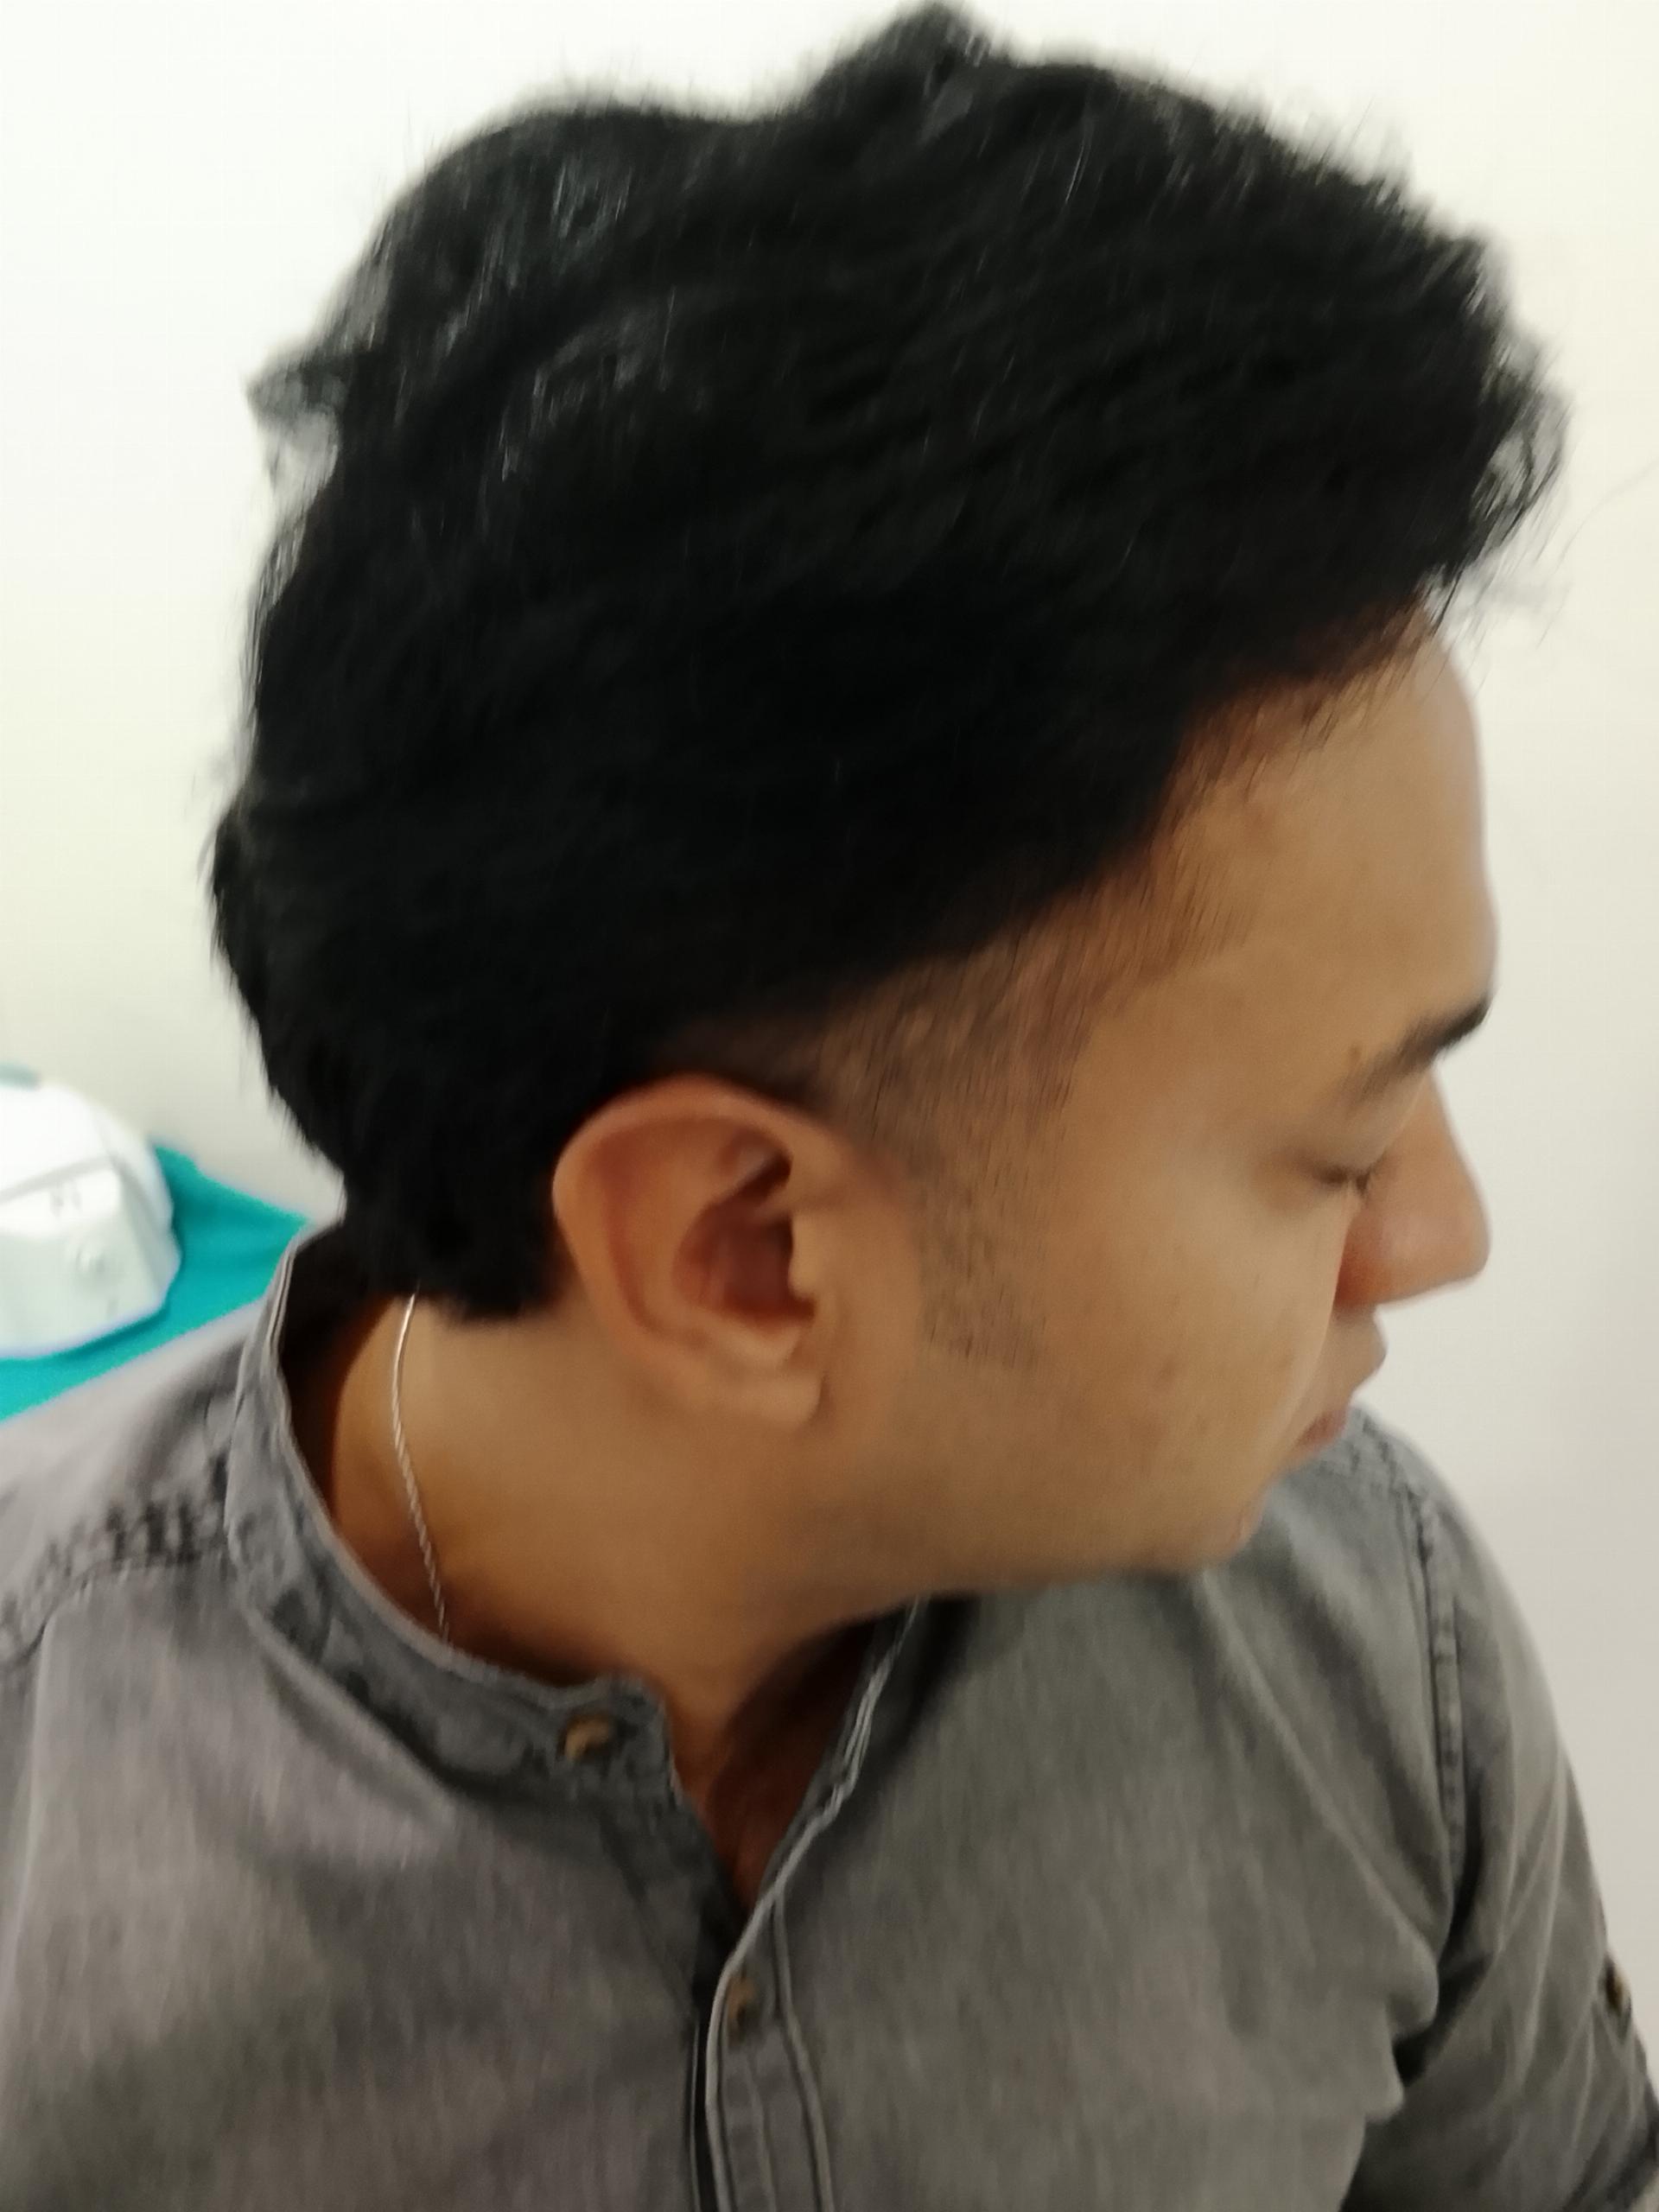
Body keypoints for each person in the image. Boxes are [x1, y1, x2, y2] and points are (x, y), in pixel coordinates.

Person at [1, 6, 1653, 2207]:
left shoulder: (1373, 1640)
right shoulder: (48, 1842)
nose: (1440, 1235)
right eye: (1339, 1151)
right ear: (741, 1251)